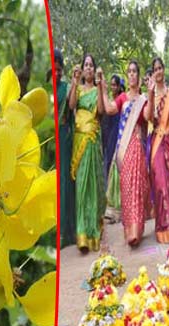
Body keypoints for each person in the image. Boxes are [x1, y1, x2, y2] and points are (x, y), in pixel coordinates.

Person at [100, 61, 151, 246]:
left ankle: (136, 230)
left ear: (138, 75)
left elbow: (147, 116)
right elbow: (109, 109)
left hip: (137, 145)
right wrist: (103, 89)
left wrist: (151, 93)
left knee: (137, 185)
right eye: (128, 72)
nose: (131, 75)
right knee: (126, 186)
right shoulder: (122, 98)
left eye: (134, 72)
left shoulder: (143, 99)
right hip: (124, 147)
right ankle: (129, 227)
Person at [69, 54, 105, 252]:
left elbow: (100, 109)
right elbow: (72, 105)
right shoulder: (79, 89)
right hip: (79, 141)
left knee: (91, 186)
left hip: (92, 140)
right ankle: (81, 235)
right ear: (82, 70)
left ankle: (92, 232)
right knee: (81, 186)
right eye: (86, 65)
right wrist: (74, 83)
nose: (89, 68)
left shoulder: (95, 90)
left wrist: (100, 86)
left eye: (91, 65)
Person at [147, 57, 169, 243]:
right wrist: (150, 96)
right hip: (156, 143)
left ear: (164, 70)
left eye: (160, 68)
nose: (158, 71)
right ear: (153, 73)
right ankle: (163, 227)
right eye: (155, 69)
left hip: (168, 141)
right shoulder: (151, 93)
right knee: (159, 183)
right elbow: (150, 118)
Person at [54, 49, 76, 248]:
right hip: (51, 139)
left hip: (65, 138)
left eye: (60, 69)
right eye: (55, 69)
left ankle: (67, 232)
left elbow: (71, 110)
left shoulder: (66, 88)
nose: (57, 73)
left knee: (66, 184)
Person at [102, 74, 124, 223]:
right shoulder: (111, 100)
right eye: (111, 85)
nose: (112, 87)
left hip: (119, 137)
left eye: (114, 85)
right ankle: (111, 207)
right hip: (109, 137)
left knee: (117, 170)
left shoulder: (121, 100)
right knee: (109, 167)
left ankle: (118, 208)